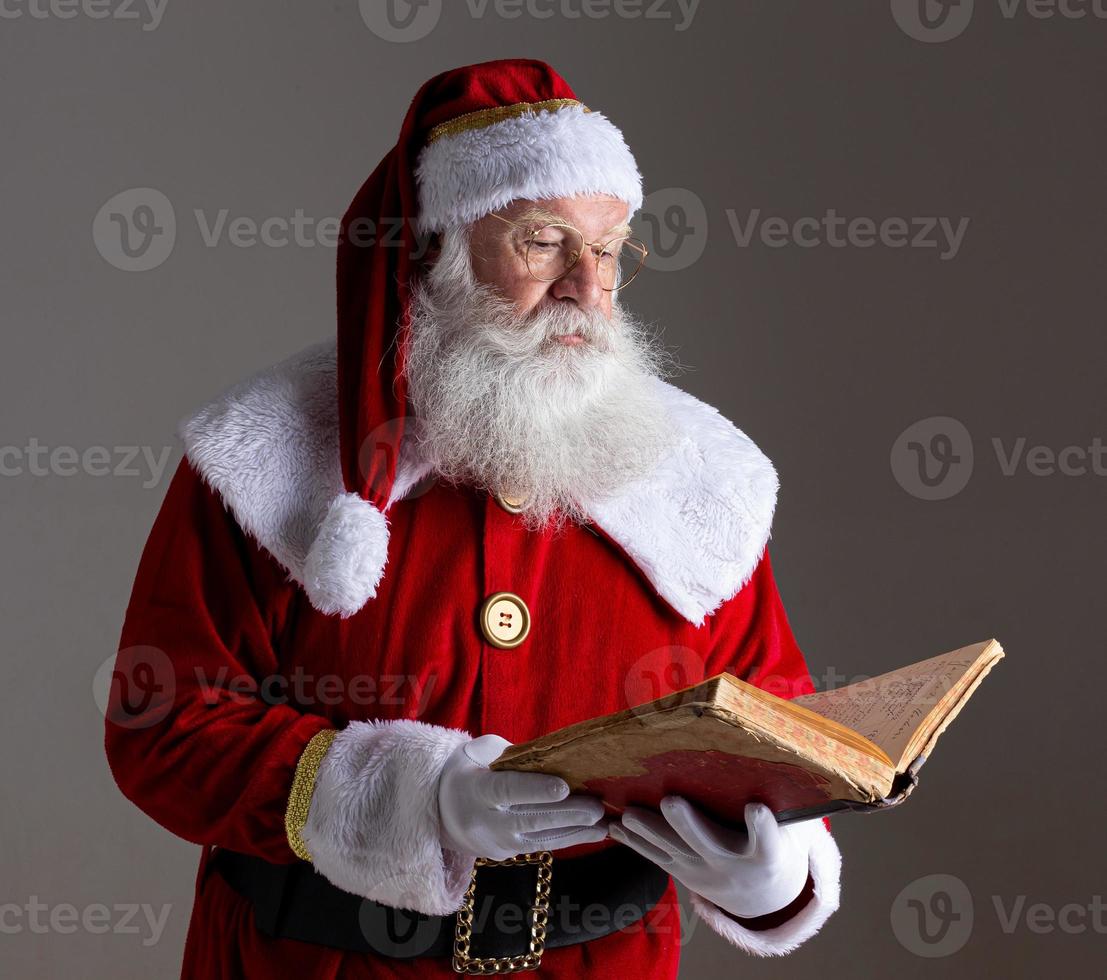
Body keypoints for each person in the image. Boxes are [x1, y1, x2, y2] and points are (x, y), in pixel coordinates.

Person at [104, 58, 842, 979]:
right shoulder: (263, 452)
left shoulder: (701, 474)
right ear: (433, 251)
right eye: (543, 241)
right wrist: (417, 800)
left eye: (609, 249)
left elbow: (779, 725)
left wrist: (777, 868)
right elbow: (160, 728)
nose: (585, 282)